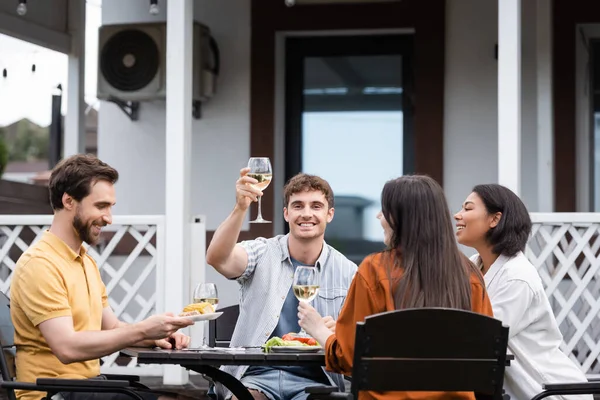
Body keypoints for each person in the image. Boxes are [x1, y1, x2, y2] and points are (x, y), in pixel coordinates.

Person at [10, 154, 195, 400]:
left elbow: (114, 328)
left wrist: (157, 335)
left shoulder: (85, 261)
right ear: (69, 201)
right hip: (50, 394)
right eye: (101, 206)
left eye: (110, 207)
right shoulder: (40, 264)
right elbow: (66, 347)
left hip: (88, 387)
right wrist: (141, 330)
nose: (109, 218)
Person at [298, 175, 493, 400]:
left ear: (401, 218)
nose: (379, 216)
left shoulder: (374, 270)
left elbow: (350, 357)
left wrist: (319, 330)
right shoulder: (470, 274)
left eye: (385, 210)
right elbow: (485, 360)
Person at [206, 169, 358, 400]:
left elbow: (359, 342)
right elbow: (218, 258)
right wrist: (241, 208)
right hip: (255, 377)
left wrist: (339, 332)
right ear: (286, 214)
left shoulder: (348, 272)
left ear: (330, 214)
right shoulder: (262, 251)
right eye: (298, 206)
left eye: (316, 206)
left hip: (317, 381)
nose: (306, 214)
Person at [454, 183, 591, 400]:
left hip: (550, 393)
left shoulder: (516, 275)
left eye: (468, 209)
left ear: (494, 219)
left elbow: (484, 338)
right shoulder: (474, 265)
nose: (457, 215)